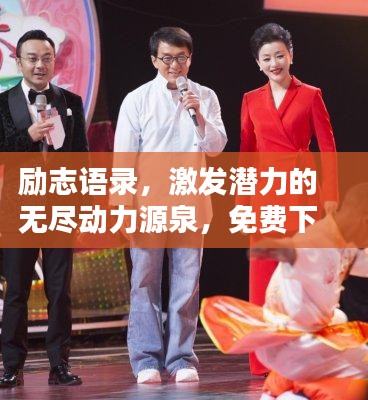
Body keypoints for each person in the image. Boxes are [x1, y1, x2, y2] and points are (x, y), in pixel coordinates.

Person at [112, 26, 227, 383]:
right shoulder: (137, 100)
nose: (174, 65)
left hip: (191, 201)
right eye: (167, 58)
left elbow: (216, 147)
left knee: (186, 284)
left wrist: (199, 115)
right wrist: (122, 207)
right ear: (154, 60)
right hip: (147, 204)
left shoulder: (205, 96)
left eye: (181, 58)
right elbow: (123, 158)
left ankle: (181, 359)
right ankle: (145, 359)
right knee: (144, 282)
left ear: (190, 58)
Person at [0, 30, 88, 388]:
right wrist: (29, 136)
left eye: (46, 58)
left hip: (60, 206)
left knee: (60, 291)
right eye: (32, 58)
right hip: (19, 207)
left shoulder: (70, 101)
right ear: (19, 62)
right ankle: (12, 366)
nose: (40, 64)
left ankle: (60, 364)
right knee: (17, 292)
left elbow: (82, 158)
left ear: (54, 61)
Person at [200, 183, 368, 400]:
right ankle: (292, 394)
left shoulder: (345, 244)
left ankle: (283, 392)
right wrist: (278, 248)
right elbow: (295, 248)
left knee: (357, 351)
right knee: (361, 364)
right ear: (364, 221)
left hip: (314, 337)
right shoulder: (316, 239)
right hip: (291, 344)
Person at [239, 23, 338, 374]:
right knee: (263, 275)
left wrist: (330, 197)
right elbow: (247, 153)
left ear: (291, 55)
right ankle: (264, 359)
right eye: (266, 58)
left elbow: (328, 149)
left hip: (302, 191)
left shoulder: (311, 95)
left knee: (303, 276)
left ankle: (305, 355)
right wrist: (242, 202)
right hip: (265, 193)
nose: (274, 63)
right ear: (258, 63)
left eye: (279, 55)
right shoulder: (250, 99)